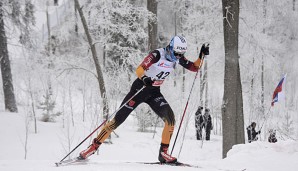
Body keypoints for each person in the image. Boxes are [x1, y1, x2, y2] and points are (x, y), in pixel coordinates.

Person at [78, 36, 209, 163]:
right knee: (117, 121)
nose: (179, 57)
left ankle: (163, 153)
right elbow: (140, 68)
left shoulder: (177, 58)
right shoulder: (157, 54)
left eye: (181, 54)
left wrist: (201, 55)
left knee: (170, 119)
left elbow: (194, 67)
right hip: (139, 90)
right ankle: (92, 148)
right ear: (170, 47)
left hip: (154, 93)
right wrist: (144, 78)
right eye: (177, 53)